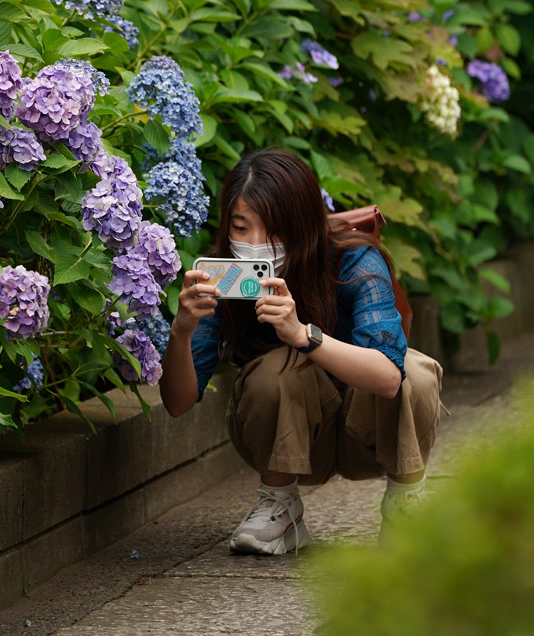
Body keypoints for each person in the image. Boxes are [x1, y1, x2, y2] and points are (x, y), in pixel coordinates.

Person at [159, 148, 443, 555]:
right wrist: (182, 332)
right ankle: (279, 507)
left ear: (304, 225)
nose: (255, 245)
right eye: (241, 227)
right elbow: (178, 403)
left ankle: (406, 502)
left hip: (372, 434)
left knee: (412, 370)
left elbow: (387, 379)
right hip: (286, 445)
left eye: (273, 230)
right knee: (274, 368)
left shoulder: (353, 259)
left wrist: (304, 335)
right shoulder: (222, 275)